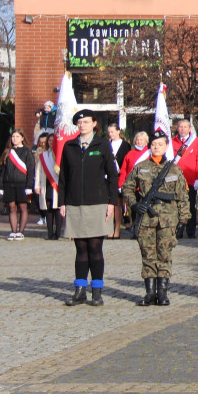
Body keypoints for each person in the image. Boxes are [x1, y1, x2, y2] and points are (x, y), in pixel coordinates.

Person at [122, 130, 191, 307]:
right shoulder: (141, 167)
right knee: (148, 254)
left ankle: (163, 293)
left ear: (166, 146)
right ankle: (150, 293)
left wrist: (183, 220)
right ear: (149, 146)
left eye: (160, 144)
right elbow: (127, 188)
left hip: (168, 219)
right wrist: (134, 204)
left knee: (164, 254)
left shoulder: (174, 169)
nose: (156, 147)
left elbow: (182, 196)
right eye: (153, 144)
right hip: (146, 218)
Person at [59, 110, 119, 307]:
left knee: (95, 247)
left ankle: (97, 291)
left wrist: (112, 202)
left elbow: (112, 175)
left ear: (94, 123)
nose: (82, 124)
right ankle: (79, 290)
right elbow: (63, 178)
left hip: (98, 202)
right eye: (79, 122)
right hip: (75, 203)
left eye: (86, 121)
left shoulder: (102, 145)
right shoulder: (69, 146)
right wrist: (62, 203)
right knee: (80, 248)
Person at [1, 129, 35, 240]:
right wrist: (1, 185)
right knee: (11, 208)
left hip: (22, 184)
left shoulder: (27, 152)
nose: (14, 139)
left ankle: (21, 232)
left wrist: (29, 186)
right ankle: (13, 231)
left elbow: (31, 170)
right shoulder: (7, 151)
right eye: (13, 136)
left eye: (17, 136)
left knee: (23, 207)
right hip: (9, 183)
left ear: (22, 138)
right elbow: (3, 170)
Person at [172, 119, 198, 239]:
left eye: (185, 127)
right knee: (176, 206)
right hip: (175, 180)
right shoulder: (172, 142)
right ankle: (177, 231)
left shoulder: (196, 142)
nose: (183, 129)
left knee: (190, 207)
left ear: (189, 129)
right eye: (180, 127)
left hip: (190, 180)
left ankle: (191, 231)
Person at [33, 132, 62, 240]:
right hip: (46, 184)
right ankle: (50, 233)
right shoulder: (43, 155)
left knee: (58, 208)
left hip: (57, 184)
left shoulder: (60, 154)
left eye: (53, 140)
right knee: (48, 208)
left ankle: (58, 233)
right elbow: (38, 171)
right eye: (49, 140)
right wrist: (37, 185)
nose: (51, 142)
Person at [106, 123, 130, 239]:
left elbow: (127, 162)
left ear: (118, 131)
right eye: (109, 132)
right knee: (108, 204)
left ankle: (117, 230)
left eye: (112, 132)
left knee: (118, 204)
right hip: (107, 178)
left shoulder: (125, 145)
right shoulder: (106, 144)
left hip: (120, 177)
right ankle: (109, 229)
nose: (110, 134)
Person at [32, 133, 52, 227]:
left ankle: (49, 217)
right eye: (41, 143)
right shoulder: (36, 151)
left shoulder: (50, 152)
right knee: (38, 199)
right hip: (37, 176)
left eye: (44, 142)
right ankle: (43, 216)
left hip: (49, 178)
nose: (42, 144)